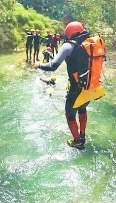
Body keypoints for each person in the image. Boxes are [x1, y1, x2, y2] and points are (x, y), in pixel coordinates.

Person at [34, 21, 91, 150]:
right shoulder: (89, 44)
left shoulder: (68, 46)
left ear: (68, 33)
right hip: (89, 86)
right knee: (82, 109)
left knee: (70, 114)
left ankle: (78, 141)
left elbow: (53, 66)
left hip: (76, 89)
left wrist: (39, 65)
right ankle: (82, 136)